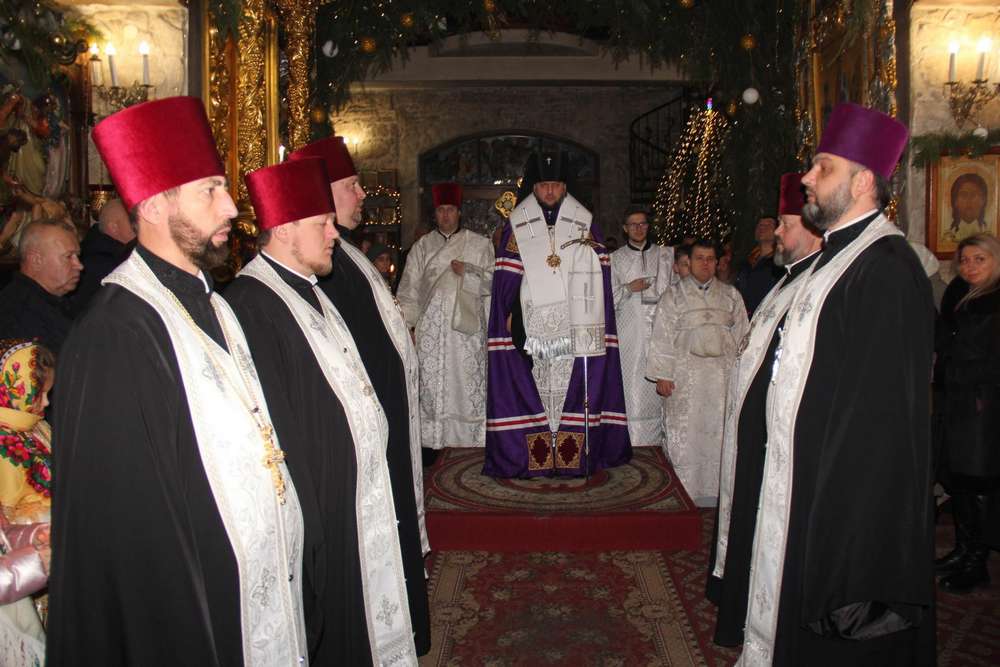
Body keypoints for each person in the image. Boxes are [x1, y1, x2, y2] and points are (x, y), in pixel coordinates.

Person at [48, 97, 311, 666]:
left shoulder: (214, 302)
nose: (231, 206)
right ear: (153, 205)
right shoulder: (115, 333)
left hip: (260, 592)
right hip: (198, 615)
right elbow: (129, 537)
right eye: (210, 190)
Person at [740, 103, 936, 666]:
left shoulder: (887, 267)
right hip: (800, 476)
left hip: (843, 496)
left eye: (823, 167)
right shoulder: (834, 261)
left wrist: (845, 517)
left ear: (863, 181)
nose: (807, 176)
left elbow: (882, 417)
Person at [225, 158, 418, 664]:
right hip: (322, 508)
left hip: (352, 495)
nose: (334, 233)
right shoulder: (250, 302)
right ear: (285, 228)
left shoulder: (308, 287)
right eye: (322, 224)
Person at [288, 136, 431, 655]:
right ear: (323, 193)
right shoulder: (326, 265)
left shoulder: (347, 254)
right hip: (366, 435)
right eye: (351, 185)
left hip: (386, 424)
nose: (362, 194)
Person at [708, 173, 822, 647]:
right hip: (755, 434)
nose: (776, 232)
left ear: (813, 230)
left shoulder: (815, 285)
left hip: (776, 439)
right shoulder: (785, 280)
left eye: (785, 224)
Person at [484, 151, 631, 478]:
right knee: (537, 384)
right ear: (533, 188)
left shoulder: (585, 224)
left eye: (555, 185)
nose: (549, 191)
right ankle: (539, 450)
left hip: (574, 323)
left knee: (569, 385)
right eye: (543, 185)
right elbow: (507, 279)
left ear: (565, 187)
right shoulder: (517, 226)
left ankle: (569, 454)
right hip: (532, 324)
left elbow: (601, 276)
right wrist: (510, 314)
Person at [645, 239, 748, 506]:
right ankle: (685, 491)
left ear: (717, 263)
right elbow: (661, 336)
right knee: (687, 434)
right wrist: (663, 374)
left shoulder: (731, 295)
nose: (705, 264)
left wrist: (743, 374)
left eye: (710, 259)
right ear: (688, 263)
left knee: (719, 431)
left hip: (722, 378)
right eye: (699, 258)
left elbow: (743, 336)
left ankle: (719, 492)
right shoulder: (673, 296)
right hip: (685, 378)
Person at [396, 182, 494, 450]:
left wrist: (470, 272)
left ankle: (472, 438)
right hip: (431, 330)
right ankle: (433, 438)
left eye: (451, 210)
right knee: (432, 383)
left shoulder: (480, 244)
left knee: (466, 380)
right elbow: (408, 290)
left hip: (467, 331)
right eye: (441, 210)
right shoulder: (422, 247)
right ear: (435, 213)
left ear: (459, 212)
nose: (446, 215)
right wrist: (408, 327)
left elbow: (494, 283)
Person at [933, 232, 1000, 594]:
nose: (970, 266)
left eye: (980, 259)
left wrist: (960, 373)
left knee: (979, 483)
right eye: (965, 260)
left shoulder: (995, 300)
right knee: (959, 478)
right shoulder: (958, 295)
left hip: (984, 405)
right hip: (957, 400)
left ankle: (977, 561)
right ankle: (963, 550)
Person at [0, 339, 53, 666]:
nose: (46, 402)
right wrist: (40, 555)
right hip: (22, 591)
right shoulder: (5, 441)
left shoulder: (32, 428)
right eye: (39, 394)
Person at [610, 205, 673, 447]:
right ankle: (631, 440)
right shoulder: (615, 259)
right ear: (625, 229)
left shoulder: (666, 255)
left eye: (643, 223)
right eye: (633, 224)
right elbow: (606, 298)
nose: (638, 228)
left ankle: (663, 440)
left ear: (648, 226)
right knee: (632, 387)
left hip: (662, 332)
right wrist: (628, 288)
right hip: (630, 334)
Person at [0, 218, 80, 352]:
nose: (79, 266)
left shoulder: (56, 302)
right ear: (36, 260)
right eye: (68, 256)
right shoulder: (17, 316)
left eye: (77, 256)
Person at [72, 198, 135, 313]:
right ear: (114, 228)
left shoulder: (97, 249)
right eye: (131, 220)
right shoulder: (102, 263)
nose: (137, 225)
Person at [734, 217, 783, 316]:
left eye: (768, 225)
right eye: (760, 225)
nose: (762, 227)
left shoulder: (780, 263)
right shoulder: (747, 263)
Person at [945, 173, 989, 242]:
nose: (969, 200)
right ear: (955, 201)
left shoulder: (988, 235)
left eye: (974, 194)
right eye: (963, 194)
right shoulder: (948, 236)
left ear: (983, 200)